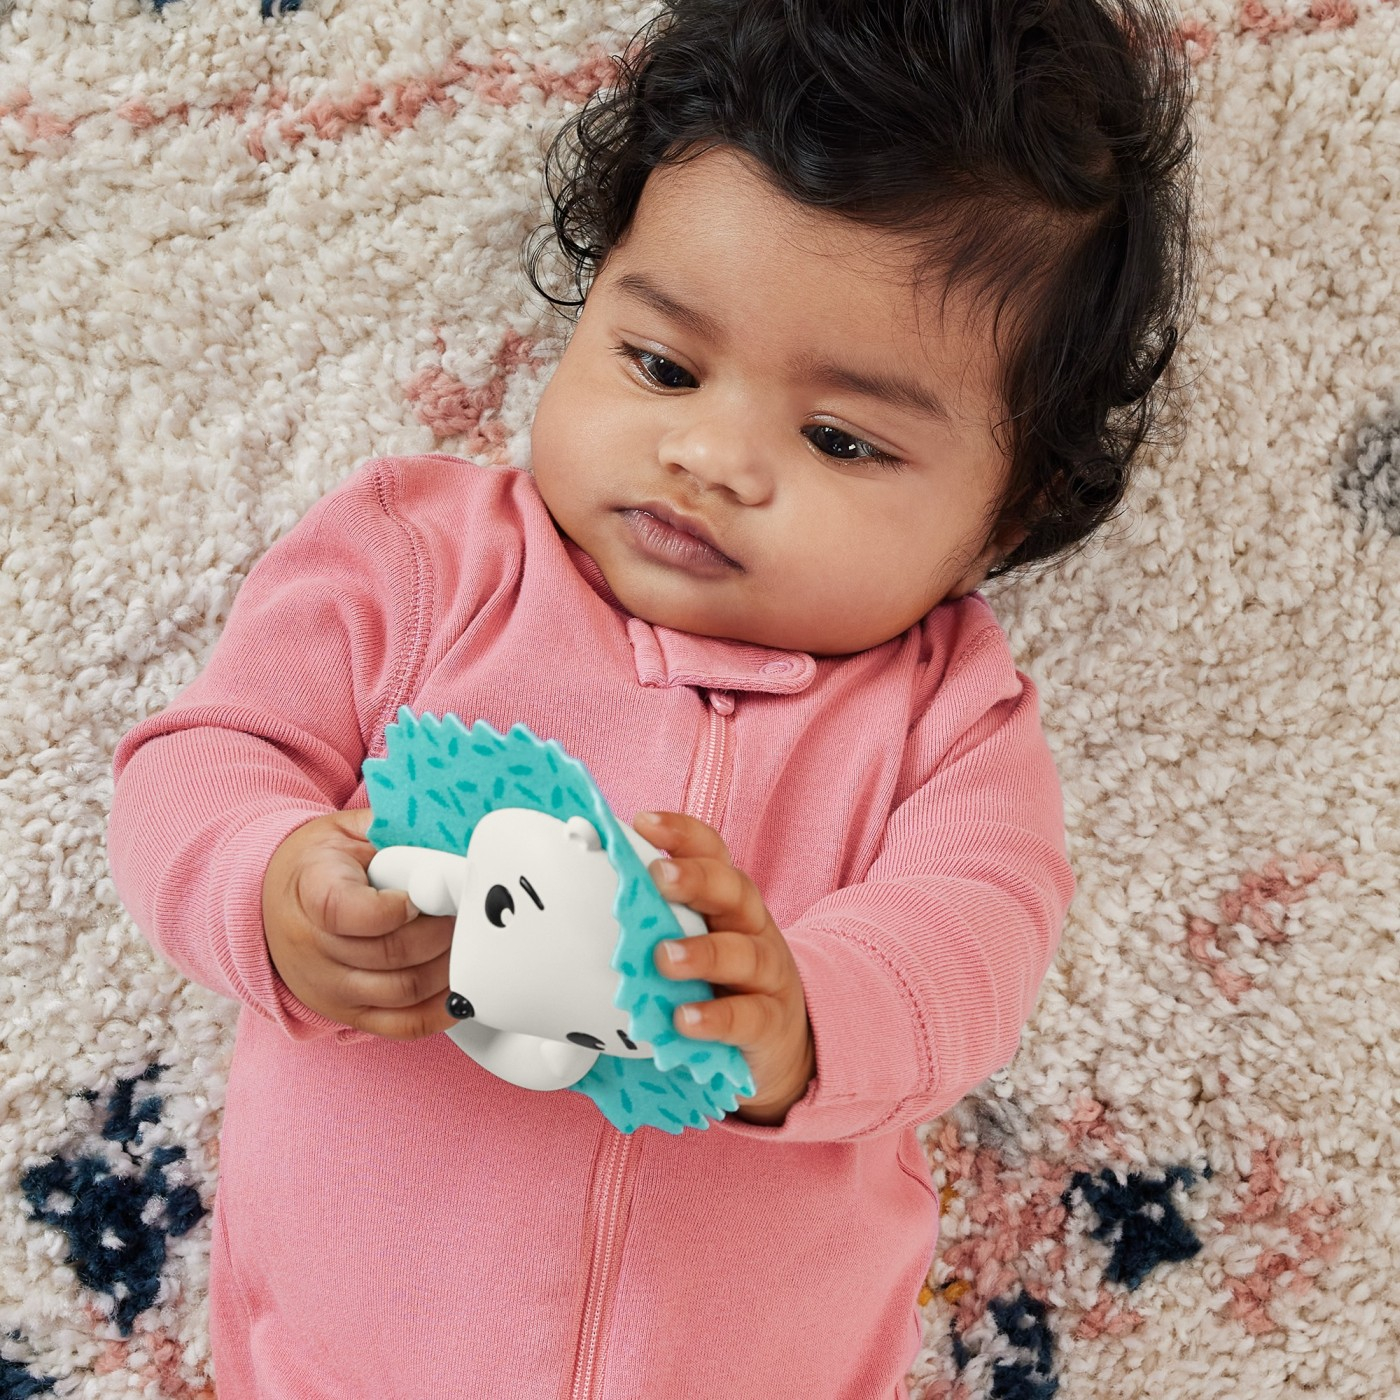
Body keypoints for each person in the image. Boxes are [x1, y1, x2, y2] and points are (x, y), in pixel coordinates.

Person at [107, 0, 1194, 1393]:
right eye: (664, 366)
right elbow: (198, 763)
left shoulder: (949, 722)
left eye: (840, 439)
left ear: (1010, 512)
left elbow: (971, 944)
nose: (711, 456)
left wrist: (798, 1015)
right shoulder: (419, 563)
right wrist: (273, 888)